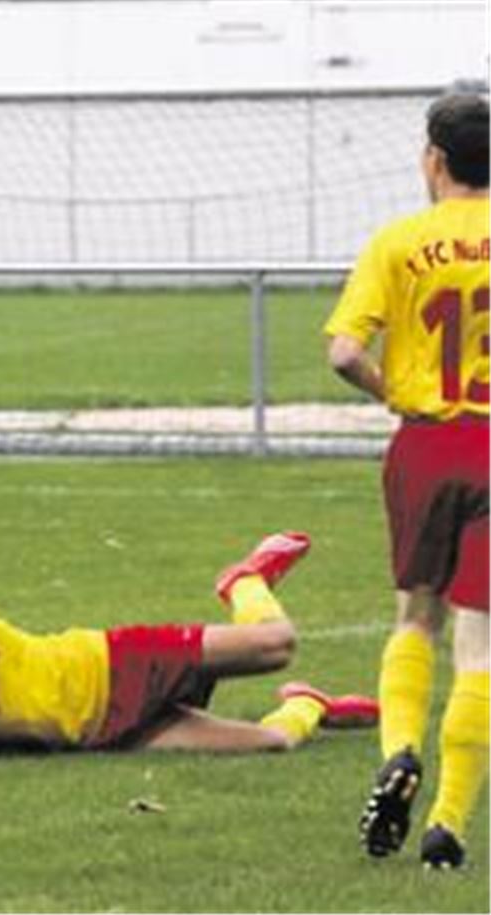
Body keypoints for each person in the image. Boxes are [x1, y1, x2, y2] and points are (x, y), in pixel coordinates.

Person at [0, 531, 379, 765]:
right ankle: (311, 705)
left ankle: (244, 583)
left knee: (276, 643)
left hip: (111, 665)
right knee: (272, 743)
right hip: (103, 734)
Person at [324, 92, 489, 869]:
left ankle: (398, 752)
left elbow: (344, 353)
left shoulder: (398, 242)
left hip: (426, 445)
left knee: (415, 616)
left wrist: (396, 390)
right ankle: (449, 825)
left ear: (434, 159)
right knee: (482, 644)